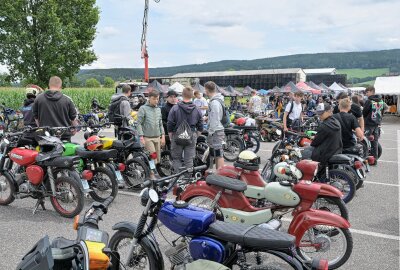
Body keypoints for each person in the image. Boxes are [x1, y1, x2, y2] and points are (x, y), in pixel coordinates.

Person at [167, 87, 203, 173]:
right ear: (192, 96)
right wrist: (195, 135)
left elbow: (170, 123)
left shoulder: (175, 108)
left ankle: (178, 180)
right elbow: (200, 125)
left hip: (177, 136)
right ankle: (188, 181)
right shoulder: (197, 109)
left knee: (176, 159)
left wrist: (171, 136)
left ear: (182, 95)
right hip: (191, 136)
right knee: (189, 160)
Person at [32, 76, 78, 141]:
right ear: (60, 86)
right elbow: (73, 118)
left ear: (49, 85)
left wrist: (41, 128)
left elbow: (36, 118)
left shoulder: (38, 99)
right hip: (64, 136)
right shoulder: (67, 100)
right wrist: (74, 130)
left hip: (45, 136)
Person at [137, 90, 165, 179]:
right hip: (147, 137)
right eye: (154, 99)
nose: (156, 101)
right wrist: (141, 137)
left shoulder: (158, 109)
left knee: (157, 159)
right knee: (152, 156)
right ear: (149, 98)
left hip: (157, 136)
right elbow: (139, 123)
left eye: (157, 99)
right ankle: (152, 174)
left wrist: (163, 136)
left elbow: (160, 124)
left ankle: (149, 170)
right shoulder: (143, 108)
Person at [307, 103, 342, 171]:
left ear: (328, 111)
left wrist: (312, 139)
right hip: (336, 150)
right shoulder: (336, 121)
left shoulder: (324, 125)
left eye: (321, 113)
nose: (319, 115)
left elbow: (314, 143)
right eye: (318, 113)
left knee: (304, 152)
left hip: (325, 153)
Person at [362, 86, 387, 163]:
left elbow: (364, 112)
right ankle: (374, 160)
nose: (366, 94)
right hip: (377, 124)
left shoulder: (369, 101)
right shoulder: (381, 101)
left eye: (367, 92)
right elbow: (385, 109)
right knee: (375, 142)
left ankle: (365, 159)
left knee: (364, 141)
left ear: (372, 91)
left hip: (369, 124)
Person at [205, 81, 225, 169]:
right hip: (217, 129)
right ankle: (218, 173)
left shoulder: (214, 102)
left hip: (216, 131)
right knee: (217, 153)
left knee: (218, 154)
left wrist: (211, 131)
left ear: (207, 90)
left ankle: (219, 175)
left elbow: (215, 118)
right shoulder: (217, 100)